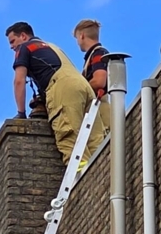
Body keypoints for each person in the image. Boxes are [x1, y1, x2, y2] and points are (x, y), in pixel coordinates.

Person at [7, 21, 106, 167]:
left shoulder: (24, 48)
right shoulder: (52, 46)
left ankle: (80, 182)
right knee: (96, 141)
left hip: (62, 88)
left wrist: (21, 113)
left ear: (23, 36)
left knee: (70, 139)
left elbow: (19, 81)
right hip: (84, 87)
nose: (11, 46)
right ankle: (105, 175)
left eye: (12, 41)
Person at [73, 18, 112, 137]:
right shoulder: (93, 55)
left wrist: (79, 89)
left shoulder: (98, 53)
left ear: (82, 36)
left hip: (102, 115)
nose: (77, 43)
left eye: (77, 39)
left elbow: (100, 81)